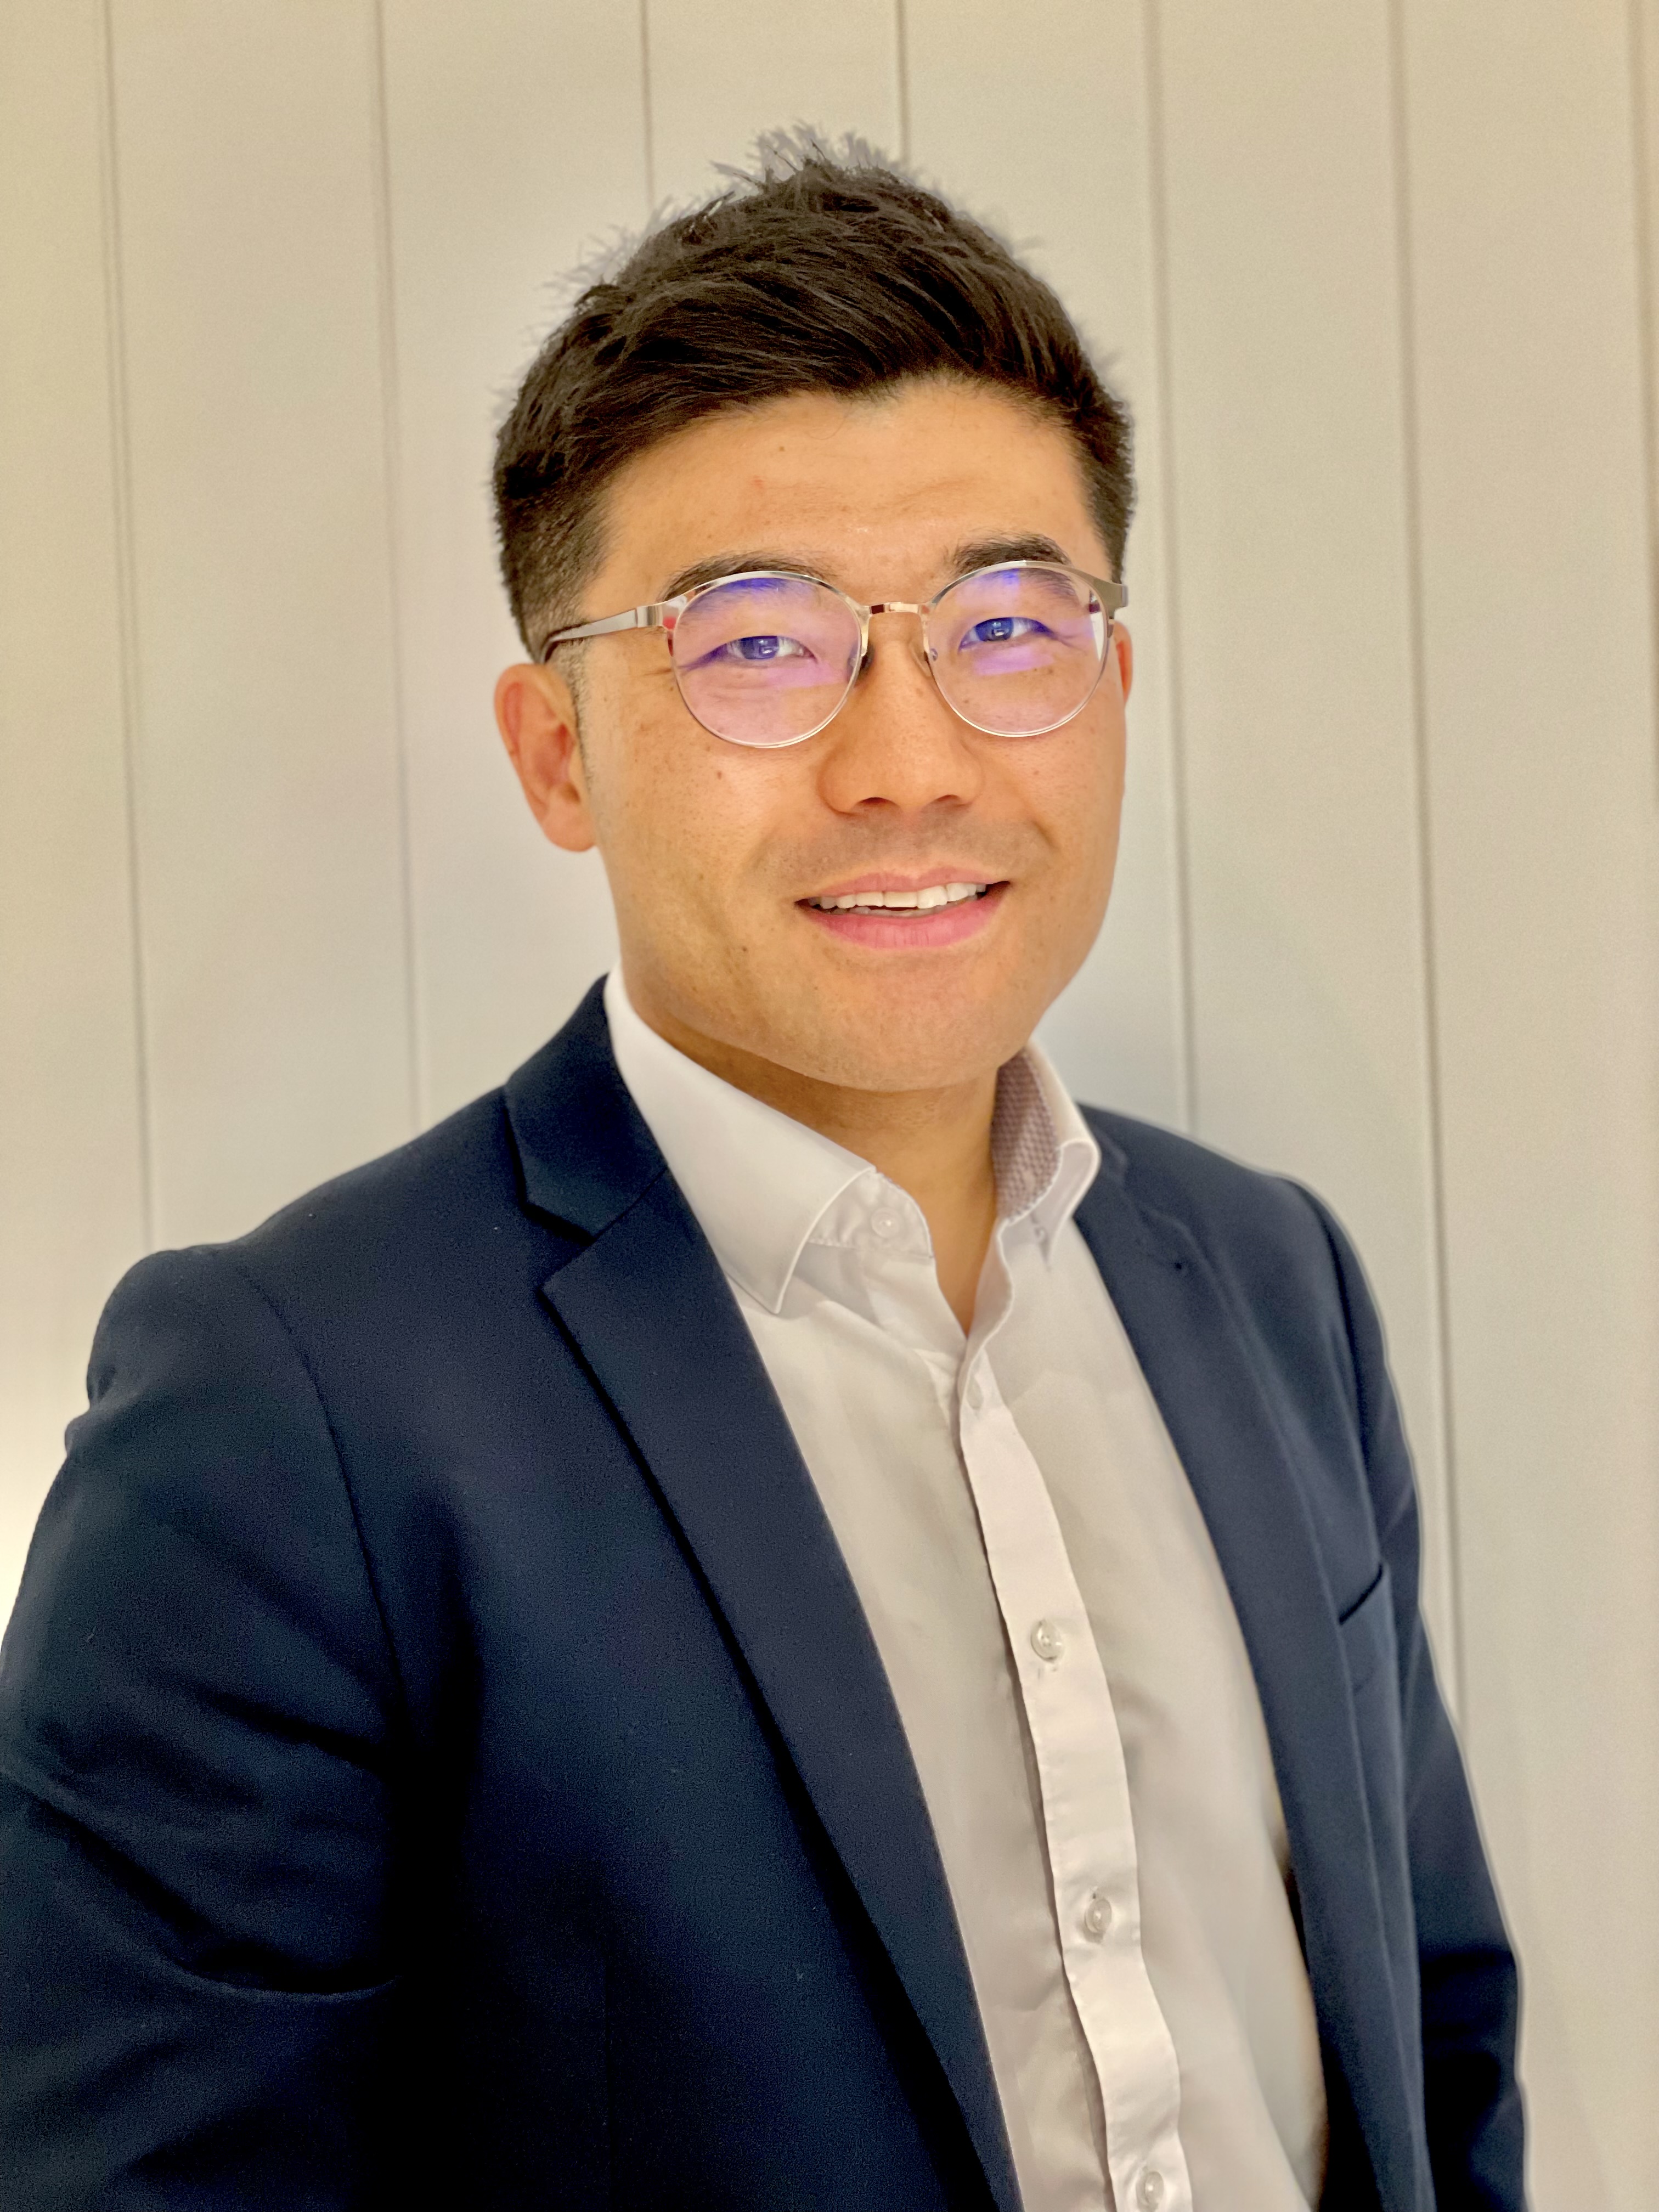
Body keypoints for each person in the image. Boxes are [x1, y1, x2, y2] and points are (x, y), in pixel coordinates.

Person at [0, 136, 1522, 2212]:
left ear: (1115, 685)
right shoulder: (290, 1415)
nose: (910, 764)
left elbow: (1436, 2040)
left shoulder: (1269, 1282)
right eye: (759, 645)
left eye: (1009, 623)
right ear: (558, 752)